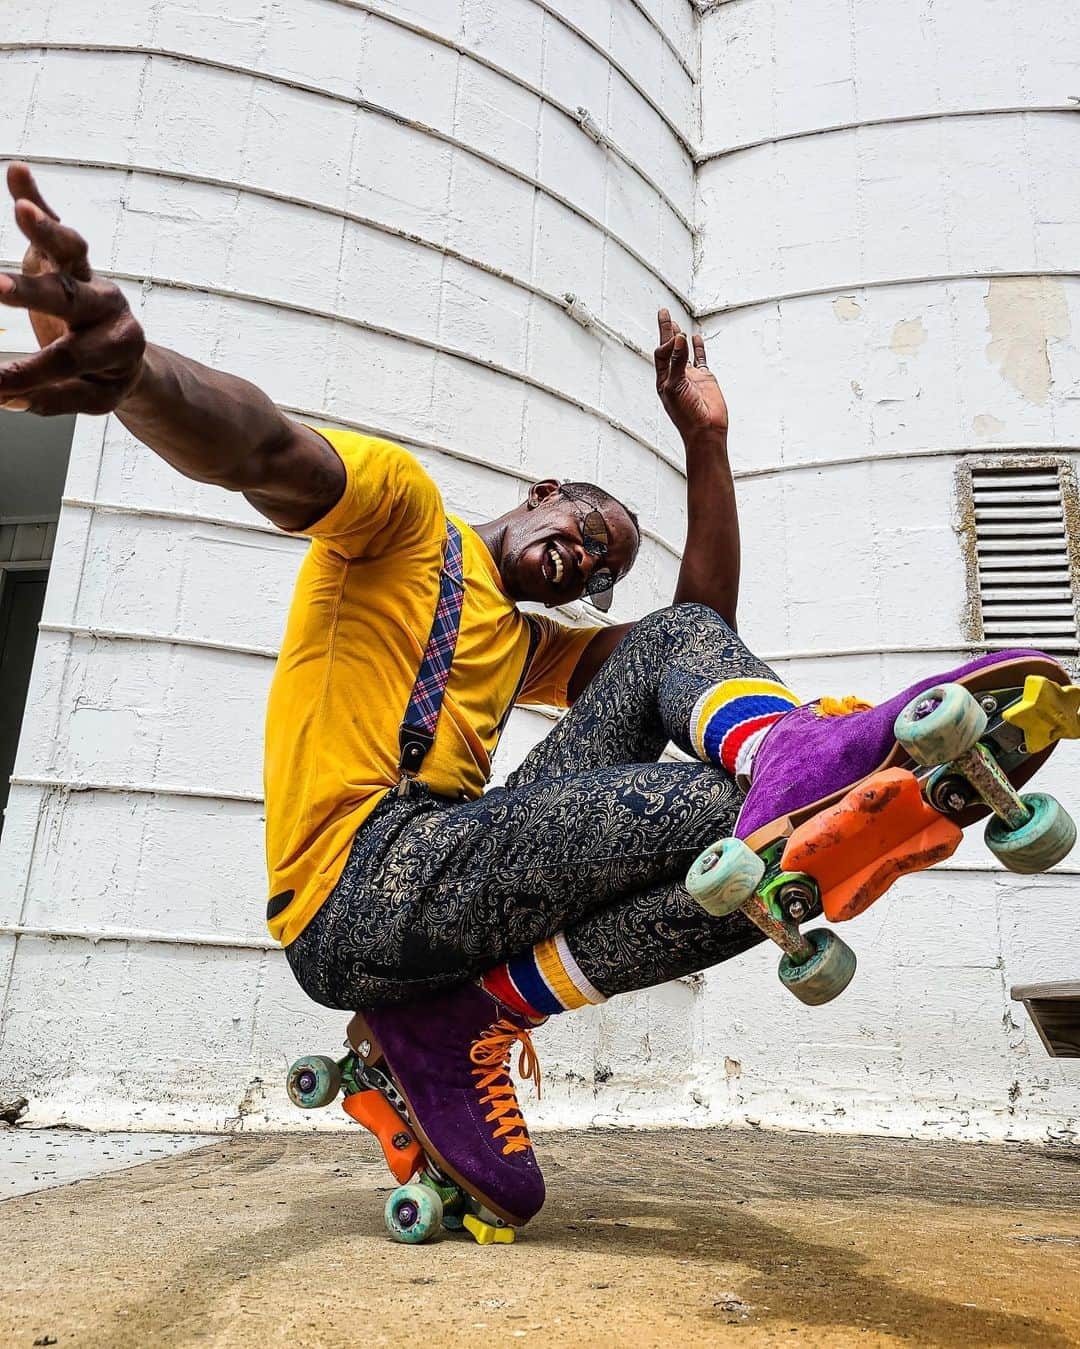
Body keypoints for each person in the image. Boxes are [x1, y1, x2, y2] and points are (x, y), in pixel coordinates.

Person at [1, 164, 1068, 1231]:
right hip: (362, 883)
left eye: (597, 568)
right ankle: (812, 772)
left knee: (752, 879)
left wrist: (707, 445)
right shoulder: (407, 528)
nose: (579, 563)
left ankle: (464, 1020)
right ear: (542, 491)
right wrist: (136, 377)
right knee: (743, 815)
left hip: (446, 874)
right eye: (582, 532)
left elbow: (695, 636)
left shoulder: (521, 644)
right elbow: (270, 453)